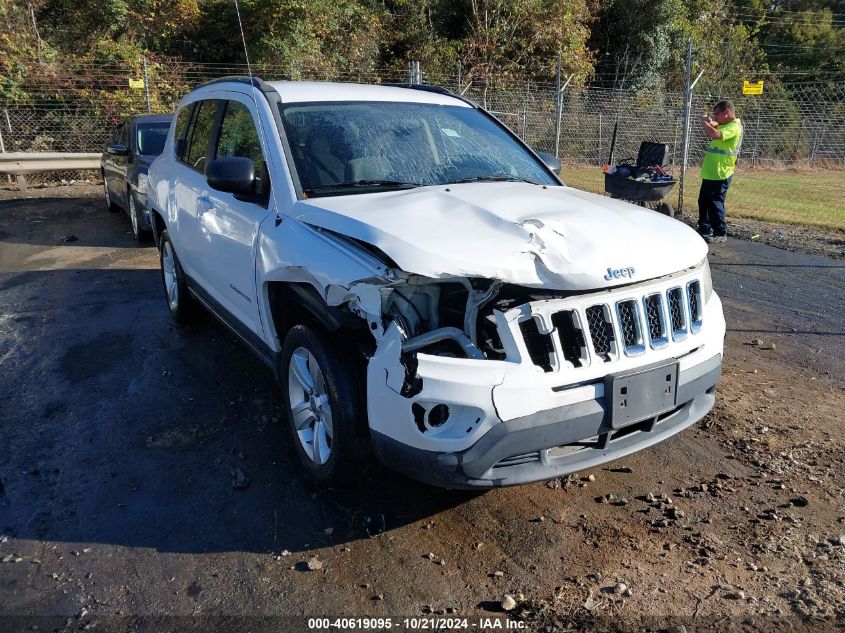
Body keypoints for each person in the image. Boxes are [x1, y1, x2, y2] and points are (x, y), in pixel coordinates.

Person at [698, 101, 742, 243]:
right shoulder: (724, 124)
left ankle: (720, 233)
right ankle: (705, 228)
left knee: (715, 202)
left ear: (726, 113)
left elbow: (715, 134)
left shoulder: (734, 127)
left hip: (722, 172)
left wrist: (704, 122)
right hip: (711, 172)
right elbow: (714, 126)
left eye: (717, 113)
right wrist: (709, 121)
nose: (715, 117)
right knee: (703, 201)